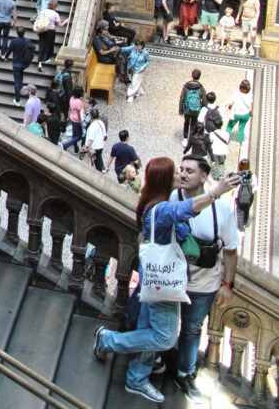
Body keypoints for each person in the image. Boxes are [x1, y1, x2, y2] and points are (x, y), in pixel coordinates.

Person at [93, 158, 244, 403]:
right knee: (164, 336)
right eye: (177, 172)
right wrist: (216, 192)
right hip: (165, 280)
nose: (180, 175)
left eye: (186, 171)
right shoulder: (162, 208)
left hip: (161, 277)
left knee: (149, 327)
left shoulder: (158, 202)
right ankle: (108, 340)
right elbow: (183, 212)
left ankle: (136, 378)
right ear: (165, 181)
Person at [170, 156, 241, 398]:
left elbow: (230, 251)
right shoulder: (172, 197)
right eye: (181, 169)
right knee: (164, 323)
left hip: (203, 284)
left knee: (191, 328)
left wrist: (227, 284)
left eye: (189, 171)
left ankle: (185, 373)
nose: (183, 174)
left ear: (203, 177)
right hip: (171, 279)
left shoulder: (222, 210)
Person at [6, 26, 36, 98]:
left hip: (16, 64)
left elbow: (9, 51)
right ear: (24, 33)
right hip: (24, 63)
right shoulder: (27, 40)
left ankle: (17, 99)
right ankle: (20, 87)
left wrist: (6, 57)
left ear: (17, 33)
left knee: (17, 81)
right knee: (21, 76)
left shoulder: (14, 41)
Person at [33, 0, 62, 67]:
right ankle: (46, 58)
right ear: (55, 7)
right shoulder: (55, 14)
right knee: (49, 45)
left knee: (41, 45)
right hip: (51, 31)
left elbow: (38, 19)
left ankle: (39, 62)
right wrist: (66, 21)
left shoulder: (43, 11)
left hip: (43, 29)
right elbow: (60, 24)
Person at [180, 69, 206, 141]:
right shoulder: (200, 87)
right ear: (199, 77)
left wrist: (181, 110)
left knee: (186, 123)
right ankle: (191, 139)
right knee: (194, 124)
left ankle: (185, 139)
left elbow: (182, 98)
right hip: (196, 110)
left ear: (192, 75)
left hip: (187, 109)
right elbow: (204, 100)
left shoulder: (186, 86)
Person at [125, 38, 152, 103]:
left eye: (138, 45)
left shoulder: (145, 53)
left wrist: (144, 66)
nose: (137, 47)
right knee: (135, 80)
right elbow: (126, 50)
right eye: (136, 45)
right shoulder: (134, 49)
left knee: (134, 82)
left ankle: (130, 96)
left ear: (142, 45)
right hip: (132, 68)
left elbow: (148, 61)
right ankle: (139, 91)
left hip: (139, 70)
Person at [86, 107, 109, 172]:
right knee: (99, 158)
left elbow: (91, 139)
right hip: (100, 146)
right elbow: (104, 135)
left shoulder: (92, 126)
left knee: (95, 161)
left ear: (91, 116)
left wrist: (86, 147)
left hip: (94, 147)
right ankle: (103, 170)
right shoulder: (101, 123)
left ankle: (100, 172)